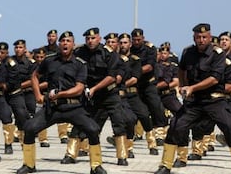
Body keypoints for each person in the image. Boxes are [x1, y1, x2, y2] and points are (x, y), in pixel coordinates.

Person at [154, 24, 231, 174]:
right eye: (198, 37)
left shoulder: (218, 54)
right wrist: (183, 87)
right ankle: (165, 165)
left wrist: (192, 88)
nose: (201, 40)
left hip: (214, 100)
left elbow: (214, 79)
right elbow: (182, 69)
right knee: (176, 126)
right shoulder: (188, 52)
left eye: (204, 37)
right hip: (195, 102)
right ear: (194, 38)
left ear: (210, 37)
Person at [16, 31, 107, 174]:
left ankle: (96, 166)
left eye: (68, 41)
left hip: (73, 107)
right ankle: (29, 164)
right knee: (29, 128)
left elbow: (79, 88)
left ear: (73, 44)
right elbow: (34, 76)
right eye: (62, 41)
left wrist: (60, 94)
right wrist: (38, 94)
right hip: (53, 108)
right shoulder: (49, 60)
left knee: (93, 129)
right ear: (59, 44)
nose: (65, 43)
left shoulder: (80, 63)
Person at [61, 27, 128, 166]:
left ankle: (122, 157)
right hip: (89, 95)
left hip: (109, 94)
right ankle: (71, 154)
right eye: (87, 39)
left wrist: (95, 88)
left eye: (93, 38)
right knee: (79, 122)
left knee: (118, 123)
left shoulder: (108, 53)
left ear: (99, 38)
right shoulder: (80, 52)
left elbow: (111, 76)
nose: (90, 41)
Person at [130, 28, 166, 145]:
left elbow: (149, 66)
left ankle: (160, 134)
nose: (136, 42)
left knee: (156, 107)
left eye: (138, 39)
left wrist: (133, 71)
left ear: (143, 38)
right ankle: (132, 134)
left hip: (148, 83)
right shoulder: (129, 50)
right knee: (134, 110)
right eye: (134, 40)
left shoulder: (150, 49)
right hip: (135, 84)